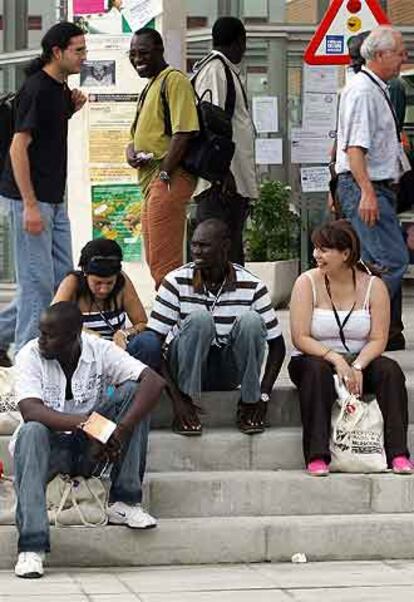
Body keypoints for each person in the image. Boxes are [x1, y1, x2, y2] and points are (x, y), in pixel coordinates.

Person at [12, 302, 165, 579]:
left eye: (49, 334)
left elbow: (153, 381)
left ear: (74, 336)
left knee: (134, 391)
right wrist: (91, 425)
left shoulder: (100, 350)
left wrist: (122, 429)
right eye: (41, 332)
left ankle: (125, 501)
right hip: (50, 451)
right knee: (31, 429)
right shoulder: (29, 355)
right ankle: (31, 546)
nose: (41, 339)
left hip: (92, 450)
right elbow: (30, 410)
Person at [289, 220, 411, 477]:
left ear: (345, 254)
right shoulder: (306, 282)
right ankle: (317, 456)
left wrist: (357, 365)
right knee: (316, 371)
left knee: (391, 371)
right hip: (315, 358)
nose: (316, 255)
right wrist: (336, 360)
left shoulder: (374, 286)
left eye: (324, 250)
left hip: (360, 359)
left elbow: (379, 338)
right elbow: (300, 336)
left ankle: (398, 454)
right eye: (315, 248)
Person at [0, 22, 87, 366]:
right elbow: (18, 149)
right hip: (29, 200)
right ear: (57, 52)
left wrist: (70, 109)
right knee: (37, 284)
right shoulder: (36, 89)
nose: (84, 57)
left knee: (63, 279)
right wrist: (30, 207)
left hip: (52, 199)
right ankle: (27, 359)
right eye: (78, 50)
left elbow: (46, 136)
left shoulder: (58, 88)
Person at [147, 219, 286, 436]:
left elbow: (278, 346)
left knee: (251, 321)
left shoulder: (252, 285)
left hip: (227, 370)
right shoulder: (174, 282)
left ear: (225, 246)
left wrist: (264, 394)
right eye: (194, 245)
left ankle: (249, 404)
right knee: (200, 320)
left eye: (204, 245)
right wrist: (177, 399)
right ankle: (188, 404)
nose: (196, 251)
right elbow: (151, 344)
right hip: (184, 367)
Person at [335, 26, 409, 351]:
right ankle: (356, 326)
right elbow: (354, 148)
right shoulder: (364, 92)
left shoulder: (375, 88)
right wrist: (365, 191)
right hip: (366, 186)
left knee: (375, 261)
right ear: (379, 55)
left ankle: (360, 329)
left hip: (375, 186)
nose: (404, 58)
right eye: (399, 52)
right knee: (388, 261)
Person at [126, 27, 199, 289]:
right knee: (155, 258)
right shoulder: (151, 86)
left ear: (160, 51)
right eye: (132, 54)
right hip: (152, 181)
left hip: (168, 177)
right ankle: (172, 315)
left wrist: (166, 173)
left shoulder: (173, 80)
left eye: (143, 53)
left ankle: (175, 319)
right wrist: (131, 152)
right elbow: (138, 135)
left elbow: (185, 131)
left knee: (165, 261)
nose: (137, 60)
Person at [192, 17, 258, 266]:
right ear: (240, 40)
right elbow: (211, 125)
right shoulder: (215, 70)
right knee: (218, 255)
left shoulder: (223, 69)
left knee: (230, 253)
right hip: (220, 185)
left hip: (229, 182)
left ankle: (233, 302)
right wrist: (223, 175)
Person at [53, 238, 161, 371]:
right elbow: (53, 322)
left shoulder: (123, 282)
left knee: (148, 341)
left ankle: (140, 385)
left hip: (116, 356)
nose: (103, 289)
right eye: (97, 283)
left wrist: (124, 334)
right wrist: (86, 334)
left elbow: (142, 323)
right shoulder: (72, 283)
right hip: (82, 358)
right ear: (85, 274)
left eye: (110, 283)